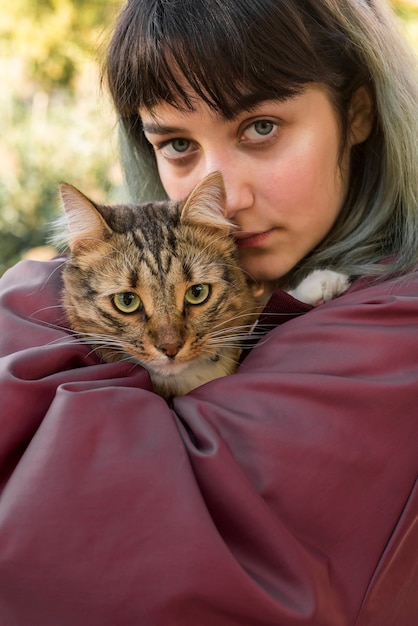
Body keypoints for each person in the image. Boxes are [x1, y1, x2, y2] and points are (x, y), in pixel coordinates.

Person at [0, 0, 417, 623]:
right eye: (175, 143)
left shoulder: (392, 326)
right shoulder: (209, 269)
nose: (226, 194)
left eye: (261, 128)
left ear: (357, 112)